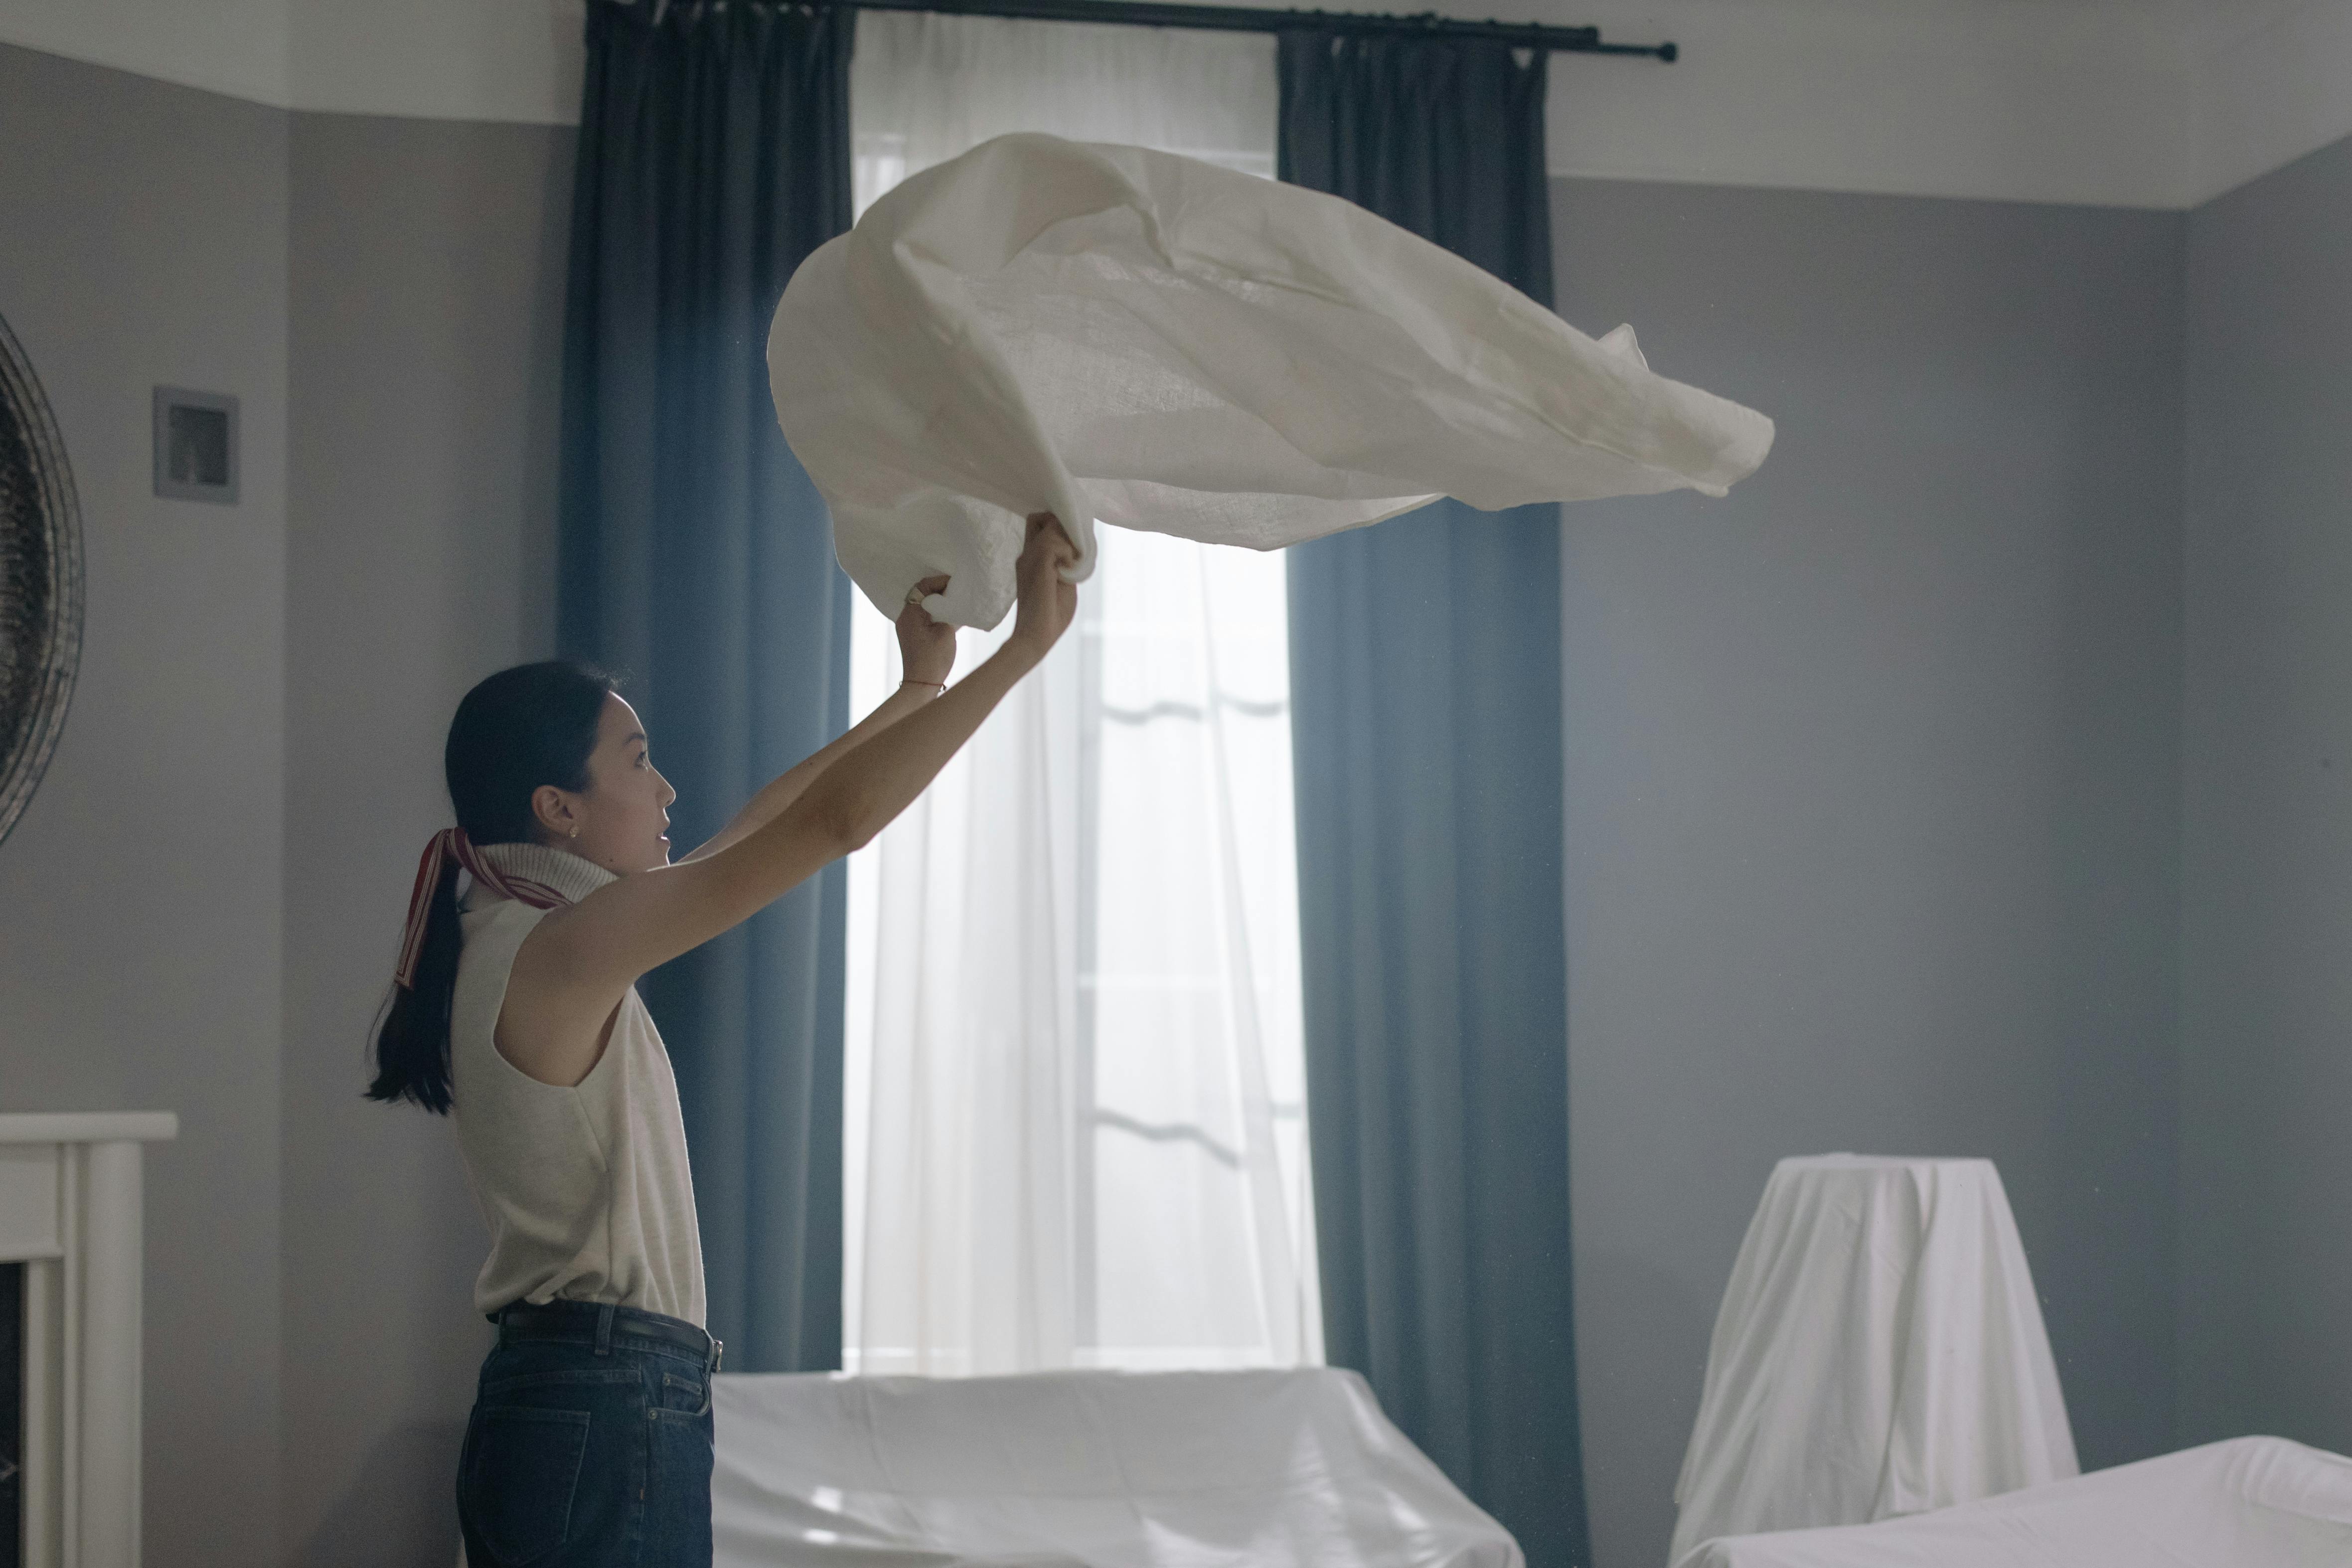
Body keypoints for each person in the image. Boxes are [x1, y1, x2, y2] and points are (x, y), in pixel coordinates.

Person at [368, 514, 1080, 1568]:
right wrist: (1023, 650)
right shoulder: (555, 946)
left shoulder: (528, 929)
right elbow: (826, 829)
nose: (664, 789)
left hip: (584, 1395)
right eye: (638, 761)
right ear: (558, 805)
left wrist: (913, 694)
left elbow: (752, 833)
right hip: (604, 1399)